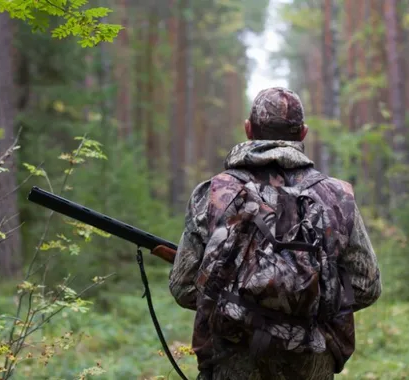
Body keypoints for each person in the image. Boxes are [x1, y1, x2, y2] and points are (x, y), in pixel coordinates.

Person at [163, 87, 382, 380]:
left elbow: (183, 287)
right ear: (303, 133)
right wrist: (309, 306)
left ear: (248, 129)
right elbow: (367, 286)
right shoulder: (336, 195)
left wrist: (239, 308)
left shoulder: (214, 193)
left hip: (231, 359)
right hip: (311, 362)